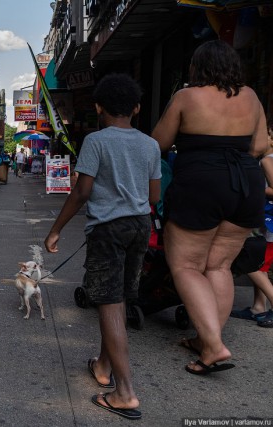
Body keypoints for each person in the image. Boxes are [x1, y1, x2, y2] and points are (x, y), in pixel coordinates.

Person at [44, 73, 161, 420]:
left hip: (108, 229)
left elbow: (81, 191)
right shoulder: (150, 144)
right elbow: (154, 196)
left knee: (108, 303)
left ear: (98, 107)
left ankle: (124, 392)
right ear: (137, 108)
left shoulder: (96, 141)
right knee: (120, 297)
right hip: (140, 225)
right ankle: (103, 367)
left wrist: (55, 230)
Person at [151, 40, 269, 374]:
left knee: (187, 266)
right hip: (246, 184)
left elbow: (157, 143)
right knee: (219, 266)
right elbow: (260, 145)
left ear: (198, 67)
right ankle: (207, 341)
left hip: (200, 181)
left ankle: (214, 346)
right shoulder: (251, 96)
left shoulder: (186, 97)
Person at [231, 126, 273, 328]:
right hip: (267, 220)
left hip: (267, 221)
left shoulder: (267, 160)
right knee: (260, 263)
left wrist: (253, 186)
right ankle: (259, 306)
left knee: (251, 262)